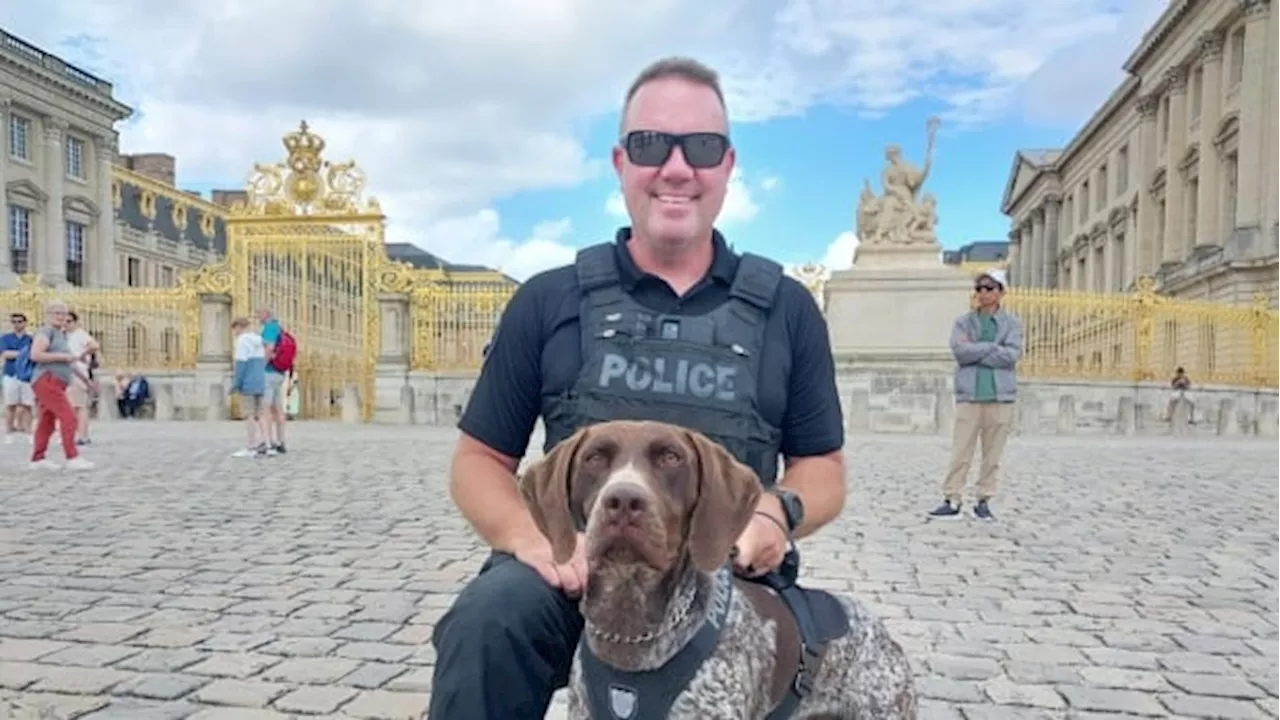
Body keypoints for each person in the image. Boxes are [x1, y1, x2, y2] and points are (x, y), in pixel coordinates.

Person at [427, 56, 847, 720]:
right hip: (577, 574)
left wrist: (776, 514)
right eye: (651, 145)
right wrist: (532, 539)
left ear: (727, 166)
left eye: (700, 148)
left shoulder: (786, 310)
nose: (676, 168)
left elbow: (823, 468)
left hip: (719, 575)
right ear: (621, 163)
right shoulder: (548, 301)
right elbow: (478, 461)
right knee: (487, 622)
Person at [930, 268, 1022, 520]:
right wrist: (993, 347)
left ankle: (984, 498)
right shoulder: (963, 322)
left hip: (1000, 396)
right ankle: (952, 497)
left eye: (989, 288)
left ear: (1001, 292)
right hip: (969, 396)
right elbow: (960, 352)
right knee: (961, 451)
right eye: (979, 288)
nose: (983, 293)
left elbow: (1012, 356)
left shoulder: (1012, 324)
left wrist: (977, 350)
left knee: (992, 455)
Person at [28, 300, 95, 470]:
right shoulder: (46, 332)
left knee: (46, 421)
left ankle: (38, 458)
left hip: (57, 381)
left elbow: (70, 362)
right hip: (47, 379)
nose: (60, 316)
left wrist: (85, 379)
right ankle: (72, 457)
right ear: (48, 315)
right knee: (69, 417)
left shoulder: (61, 334)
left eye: (63, 313)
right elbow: (36, 355)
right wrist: (63, 357)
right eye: (56, 313)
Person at [230, 317, 269, 457]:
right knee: (260, 414)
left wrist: (236, 384)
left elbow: (241, 365)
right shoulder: (258, 340)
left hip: (248, 382)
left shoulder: (242, 341)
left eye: (234, 329)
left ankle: (251, 445)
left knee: (249, 415)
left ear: (239, 327)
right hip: (260, 381)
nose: (234, 333)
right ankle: (265, 443)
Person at [257, 307, 288, 454]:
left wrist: (260, 366)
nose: (257, 316)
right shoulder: (279, 328)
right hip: (279, 372)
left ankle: (268, 442)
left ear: (266, 314)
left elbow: (269, 348)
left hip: (269, 372)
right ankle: (281, 441)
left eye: (259, 313)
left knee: (266, 408)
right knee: (278, 408)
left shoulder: (269, 328)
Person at [64, 311, 97, 446]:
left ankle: (82, 435)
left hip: (77, 373)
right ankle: (74, 434)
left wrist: (81, 355)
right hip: (65, 372)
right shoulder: (63, 335)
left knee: (79, 406)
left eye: (69, 321)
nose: (66, 324)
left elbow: (94, 345)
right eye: (64, 321)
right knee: (70, 406)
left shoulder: (79, 334)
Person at [1, 312, 34, 445]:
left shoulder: (30, 339)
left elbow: (33, 354)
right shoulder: (5, 338)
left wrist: (19, 354)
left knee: (27, 405)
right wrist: (24, 354)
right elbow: (5, 354)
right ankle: (9, 432)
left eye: (20, 321)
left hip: (26, 375)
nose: (17, 324)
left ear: (25, 323)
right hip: (11, 374)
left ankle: (28, 432)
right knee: (10, 405)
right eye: (14, 322)